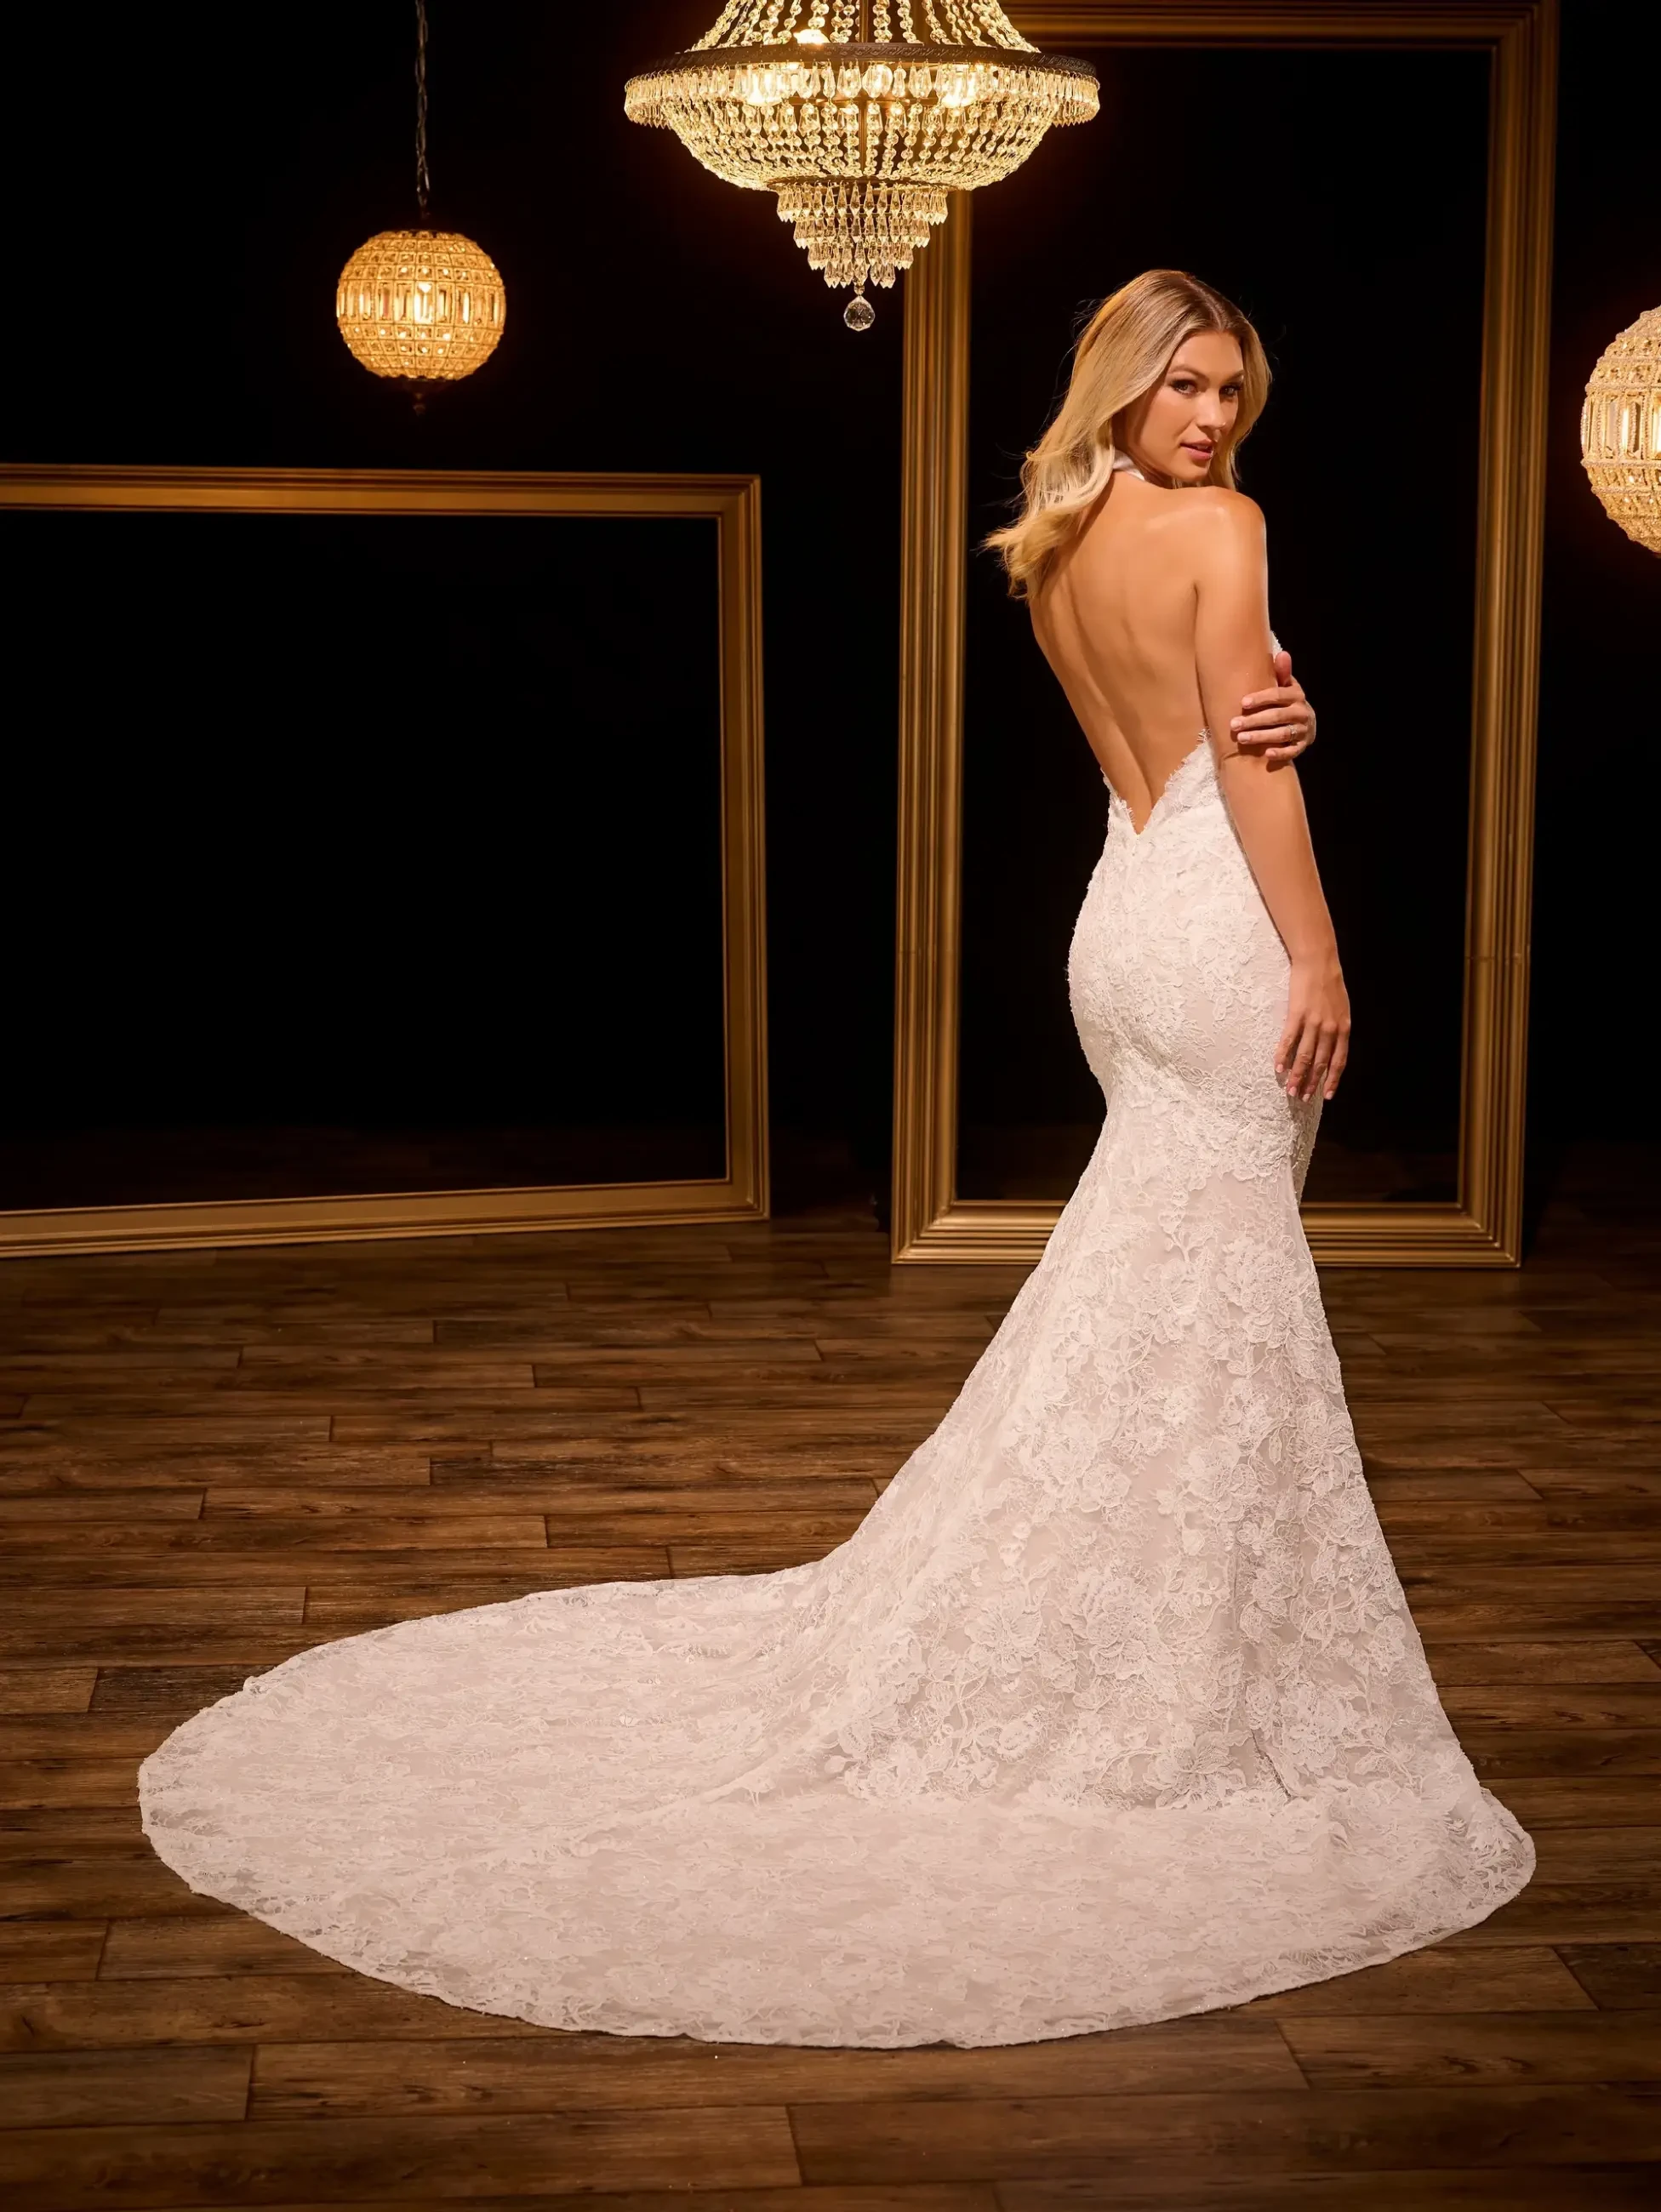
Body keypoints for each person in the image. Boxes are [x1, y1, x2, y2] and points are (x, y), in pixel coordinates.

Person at [140, 271, 1533, 2050]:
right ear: (1120, 383)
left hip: (1121, 922)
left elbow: (1193, 738)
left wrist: (1274, 719)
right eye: (1185, 386)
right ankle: (1166, 1652)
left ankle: (1135, 1614)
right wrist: (1321, 954)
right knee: (1220, 1288)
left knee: (1156, 1284)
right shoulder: (1224, 530)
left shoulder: (1056, 542)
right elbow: (1249, 776)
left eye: (1232, 393)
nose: (1212, 420)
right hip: (1218, 930)